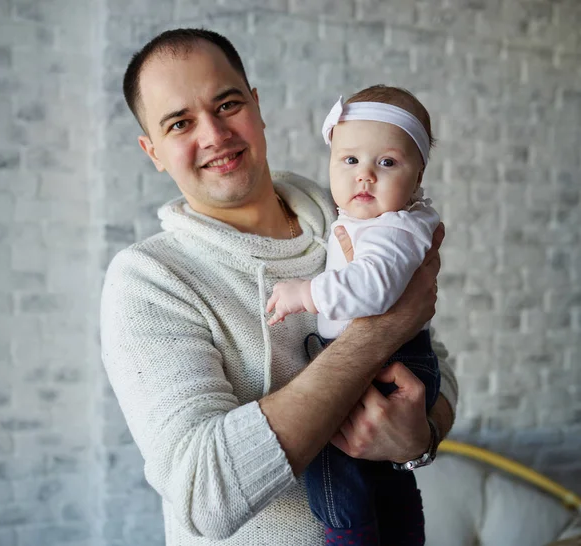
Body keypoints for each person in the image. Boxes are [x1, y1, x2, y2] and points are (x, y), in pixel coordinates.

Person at [100, 27, 458, 546]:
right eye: (180, 123)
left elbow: (437, 362)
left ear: (257, 105)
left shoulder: (349, 214)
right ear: (152, 150)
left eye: (227, 105)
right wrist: (375, 335)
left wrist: (420, 440)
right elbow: (204, 495)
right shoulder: (149, 280)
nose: (215, 135)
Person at [267, 86, 441, 546]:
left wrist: (306, 293)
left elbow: (373, 289)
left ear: (417, 173)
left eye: (386, 163)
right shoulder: (376, 222)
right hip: (398, 358)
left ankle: (349, 535)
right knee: (386, 480)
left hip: (391, 366)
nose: (364, 176)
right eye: (349, 161)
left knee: (330, 455)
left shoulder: (394, 230)